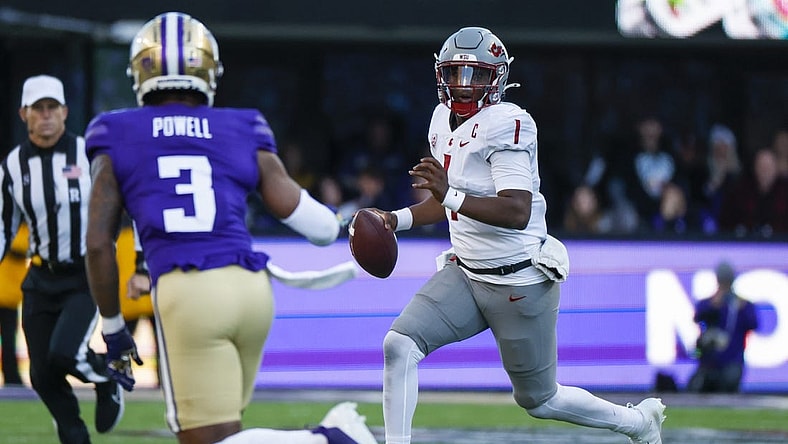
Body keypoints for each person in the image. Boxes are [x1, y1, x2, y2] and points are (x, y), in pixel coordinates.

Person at [83, 12, 376, 444]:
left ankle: (331, 437)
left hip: (191, 293)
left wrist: (111, 325)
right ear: (208, 68)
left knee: (211, 441)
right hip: (252, 292)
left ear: (141, 70)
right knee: (227, 429)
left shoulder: (116, 130)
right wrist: (346, 222)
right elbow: (315, 226)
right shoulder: (241, 126)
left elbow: (97, 245)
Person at [369, 27, 665, 444]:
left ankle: (637, 423)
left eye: (475, 75)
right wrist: (394, 219)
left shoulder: (509, 122)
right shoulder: (440, 120)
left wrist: (449, 192)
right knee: (399, 346)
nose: (463, 85)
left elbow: (515, 211)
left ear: (498, 79)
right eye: (455, 73)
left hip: (517, 281)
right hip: (468, 275)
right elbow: (446, 201)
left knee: (540, 400)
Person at [0, 74, 123, 444]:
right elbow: (4, 227)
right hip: (40, 277)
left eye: (53, 107)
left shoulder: (89, 155)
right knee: (41, 374)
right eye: (38, 109)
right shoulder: (12, 167)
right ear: (24, 114)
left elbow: (122, 207)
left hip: (83, 275)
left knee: (65, 355)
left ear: (66, 112)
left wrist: (138, 263)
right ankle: (74, 434)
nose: (46, 116)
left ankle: (106, 378)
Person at [688, 261, 759, 393]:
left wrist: (742, 309)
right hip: (708, 362)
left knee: (729, 385)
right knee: (695, 388)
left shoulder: (742, 305)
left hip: (733, 360)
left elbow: (754, 324)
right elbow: (697, 317)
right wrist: (712, 305)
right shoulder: (710, 302)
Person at [0, 224, 28, 387]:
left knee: (10, 337)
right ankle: (12, 377)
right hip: (7, 292)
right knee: (9, 337)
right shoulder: (21, 229)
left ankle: (12, 376)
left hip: (9, 294)